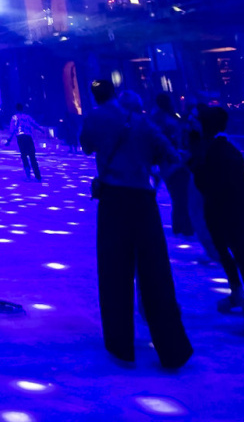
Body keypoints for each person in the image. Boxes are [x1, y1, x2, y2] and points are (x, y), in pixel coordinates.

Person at [79, 81, 193, 369]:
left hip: (113, 199)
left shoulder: (95, 117)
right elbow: (170, 154)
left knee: (114, 273)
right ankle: (172, 348)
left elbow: (85, 146)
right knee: (156, 272)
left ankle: (120, 345)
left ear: (95, 96)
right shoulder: (141, 122)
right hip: (143, 199)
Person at [191, 105, 244, 340]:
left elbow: (206, 183)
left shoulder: (214, 152)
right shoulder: (225, 149)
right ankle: (242, 295)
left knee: (241, 259)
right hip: (234, 213)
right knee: (231, 256)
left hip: (224, 214)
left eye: (197, 121)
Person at [151, 93, 193, 235]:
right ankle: (183, 226)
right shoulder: (165, 119)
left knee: (179, 194)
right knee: (181, 194)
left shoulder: (158, 118)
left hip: (171, 161)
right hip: (173, 161)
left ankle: (181, 225)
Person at [10, 102, 43, 182]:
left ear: (16, 109)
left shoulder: (14, 117)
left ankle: (28, 174)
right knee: (32, 156)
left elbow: (13, 128)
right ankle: (37, 176)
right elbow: (34, 124)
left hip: (20, 138)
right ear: (22, 109)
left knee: (24, 156)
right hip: (28, 137)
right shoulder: (27, 117)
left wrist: (9, 139)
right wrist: (41, 129)